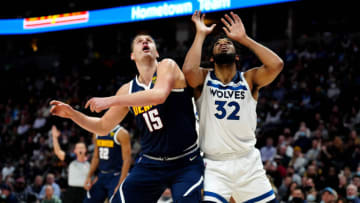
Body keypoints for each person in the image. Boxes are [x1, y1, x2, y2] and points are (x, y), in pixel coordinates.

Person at [50, 33, 203, 202]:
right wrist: (73, 114)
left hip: (185, 161)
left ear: (157, 53)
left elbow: (159, 95)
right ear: (132, 56)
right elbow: (102, 126)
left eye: (149, 41)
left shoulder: (167, 66)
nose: (145, 42)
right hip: (151, 163)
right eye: (139, 41)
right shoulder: (127, 90)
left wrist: (111, 100)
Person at [182, 11, 283, 202]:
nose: (223, 43)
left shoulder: (249, 79)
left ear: (237, 56)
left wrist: (244, 39)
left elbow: (276, 65)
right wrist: (200, 34)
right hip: (214, 164)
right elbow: (188, 71)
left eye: (228, 43)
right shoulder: (204, 78)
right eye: (218, 44)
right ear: (211, 58)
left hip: (248, 162)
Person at [84, 125, 131, 203]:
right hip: (102, 175)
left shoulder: (121, 133)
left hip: (116, 175)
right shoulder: (97, 133)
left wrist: (120, 183)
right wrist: (89, 176)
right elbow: (96, 157)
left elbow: (127, 160)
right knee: (89, 200)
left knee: (117, 200)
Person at [51, 125, 90, 203]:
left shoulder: (91, 162)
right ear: (74, 150)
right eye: (78, 147)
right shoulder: (70, 160)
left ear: (86, 150)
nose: (80, 149)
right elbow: (58, 152)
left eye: (82, 147)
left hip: (84, 192)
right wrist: (54, 138)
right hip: (71, 191)